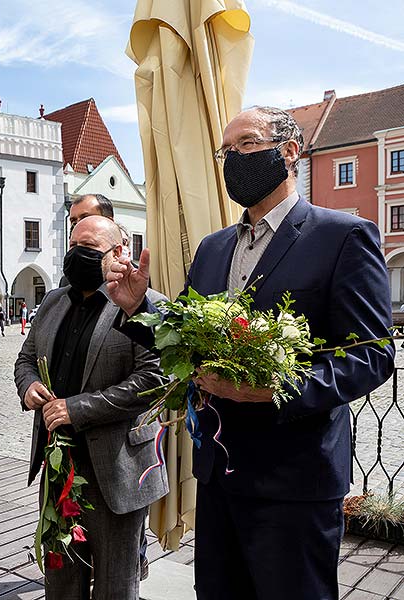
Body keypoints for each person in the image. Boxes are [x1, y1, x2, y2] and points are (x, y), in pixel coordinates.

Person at [106, 106, 395, 600]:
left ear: (289, 152)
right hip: (219, 473)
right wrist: (138, 308)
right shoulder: (213, 248)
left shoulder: (342, 236)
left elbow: (370, 355)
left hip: (295, 479)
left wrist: (276, 389)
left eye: (245, 145)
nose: (231, 159)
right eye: (225, 150)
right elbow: (185, 341)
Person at [14, 216, 168, 599]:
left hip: (115, 468)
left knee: (116, 587)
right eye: (72, 246)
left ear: (118, 252)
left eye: (88, 249)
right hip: (58, 467)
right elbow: (25, 358)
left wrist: (77, 409)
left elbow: (155, 380)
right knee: (61, 581)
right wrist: (29, 385)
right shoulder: (52, 301)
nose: (76, 256)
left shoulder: (147, 304)